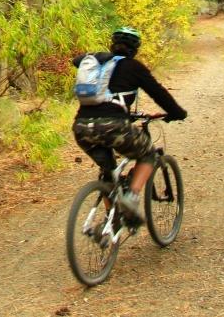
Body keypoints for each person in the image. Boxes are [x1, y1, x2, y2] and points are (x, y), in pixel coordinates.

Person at [72, 26, 187, 223]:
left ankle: (112, 218)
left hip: (82, 128)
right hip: (113, 125)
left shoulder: (98, 63)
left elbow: (76, 61)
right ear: (135, 48)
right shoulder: (134, 67)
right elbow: (159, 93)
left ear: (112, 44)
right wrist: (177, 113)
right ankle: (131, 198)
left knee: (108, 172)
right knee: (148, 154)